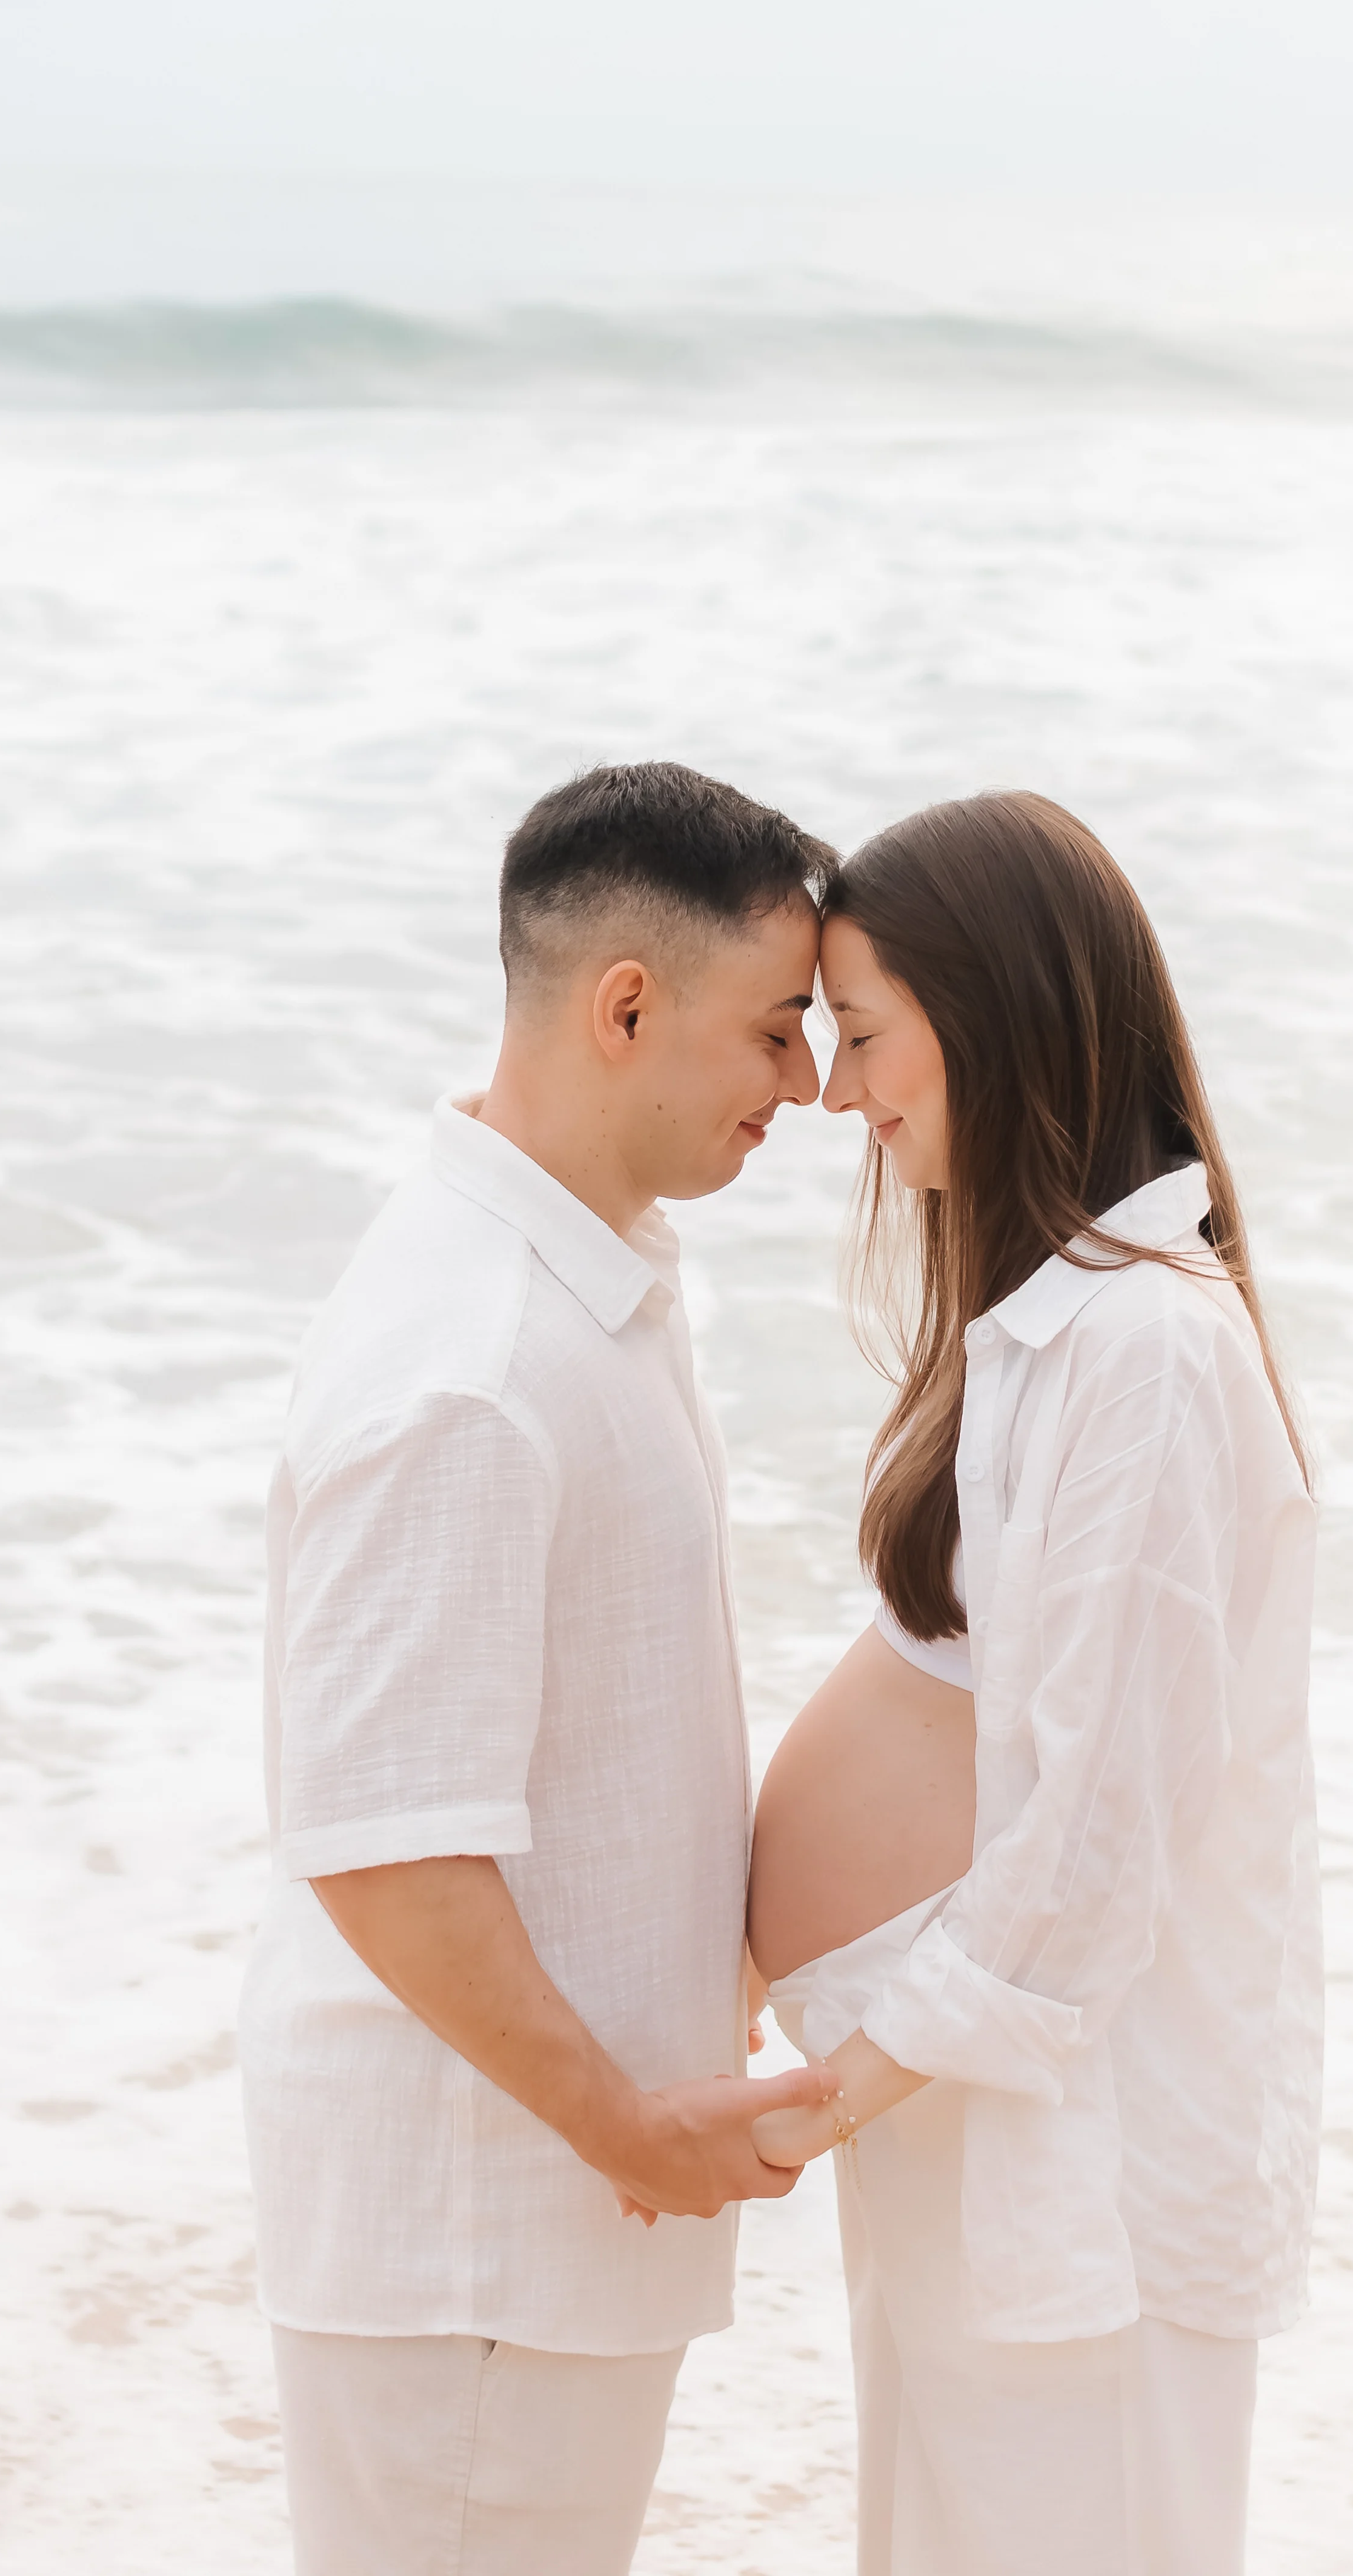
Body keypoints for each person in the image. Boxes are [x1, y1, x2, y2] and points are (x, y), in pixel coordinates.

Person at [238, 762, 843, 2576]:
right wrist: (630, 2122)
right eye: (778, 1024)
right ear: (626, 1006)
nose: (807, 1084)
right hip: (476, 2227)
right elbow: (380, 1841)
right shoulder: (470, 1360)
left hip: (532, 2214)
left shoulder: (589, 1283)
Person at [747, 791, 1321, 2576]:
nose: (835, 1090)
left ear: (990, 1010)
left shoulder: (1142, 1348)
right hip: (965, 2117)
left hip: (1076, 2162)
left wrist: (813, 2098)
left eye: (859, 1029)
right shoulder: (1046, 1328)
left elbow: (1091, 1845)